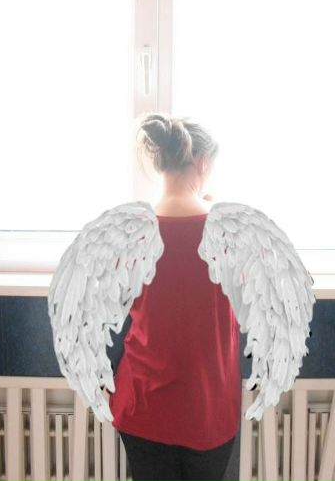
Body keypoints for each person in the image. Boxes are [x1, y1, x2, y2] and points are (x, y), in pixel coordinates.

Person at [108, 112, 240, 481]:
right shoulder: (229, 233)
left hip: (143, 404)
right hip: (207, 408)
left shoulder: (132, 232)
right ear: (203, 163)